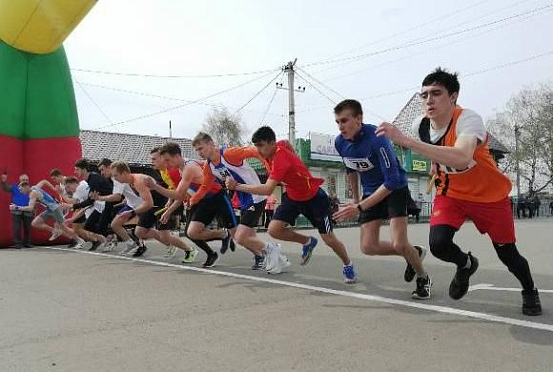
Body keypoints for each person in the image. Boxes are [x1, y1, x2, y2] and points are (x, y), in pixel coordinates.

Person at [376, 67, 541, 315]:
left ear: (453, 97)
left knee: (508, 254)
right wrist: (434, 166)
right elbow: (434, 148)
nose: (428, 100)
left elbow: (463, 157)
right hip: (451, 195)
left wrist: (407, 142)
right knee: (438, 244)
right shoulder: (420, 125)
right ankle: (466, 264)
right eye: (424, 95)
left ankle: (529, 290)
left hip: (489, 197)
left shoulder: (468, 120)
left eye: (436, 93)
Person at [226, 126, 356, 283]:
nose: (258, 150)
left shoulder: (281, 159)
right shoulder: (278, 146)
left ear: (272, 143)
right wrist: (298, 166)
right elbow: (286, 142)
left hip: (314, 198)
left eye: (261, 145)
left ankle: (347, 264)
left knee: (329, 239)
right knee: (274, 230)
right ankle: (307, 241)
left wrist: (237, 186)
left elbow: (267, 189)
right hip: (293, 197)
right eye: (257, 146)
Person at [332, 99, 431, 299]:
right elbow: (351, 168)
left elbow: (393, 180)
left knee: (399, 244)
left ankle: (423, 277)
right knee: (368, 247)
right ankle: (414, 253)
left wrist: (359, 207)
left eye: (344, 120)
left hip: (395, 189)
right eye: (337, 122)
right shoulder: (340, 142)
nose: (341, 127)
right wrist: (356, 199)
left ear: (359, 119)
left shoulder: (378, 138)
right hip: (370, 192)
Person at [189, 134, 288, 273]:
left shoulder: (229, 153)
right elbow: (206, 186)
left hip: (256, 196)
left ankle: (272, 249)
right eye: (197, 150)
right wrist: (194, 199)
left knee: (240, 236)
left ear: (211, 143)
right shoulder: (209, 166)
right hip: (244, 200)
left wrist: (271, 170)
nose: (200, 153)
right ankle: (278, 258)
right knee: (246, 236)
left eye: (201, 148)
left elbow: (254, 151)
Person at [147, 142, 233, 268]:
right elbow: (183, 192)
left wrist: (157, 189)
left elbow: (178, 194)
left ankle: (228, 237)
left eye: (155, 159)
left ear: (173, 157)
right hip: (199, 199)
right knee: (191, 232)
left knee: (238, 232)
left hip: (214, 196)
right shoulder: (168, 170)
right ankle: (220, 239)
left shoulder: (177, 170)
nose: (152, 162)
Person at [16, 180, 85, 249]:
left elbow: (30, 208)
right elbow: (44, 181)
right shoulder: (35, 187)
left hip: (56, 209)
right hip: (49, 209)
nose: (21, 192)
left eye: (21, 190)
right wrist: (53, 188)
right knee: (35, 223)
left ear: (26, 187)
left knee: (64, 227)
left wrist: (17, 207)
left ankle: (80, 241)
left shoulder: (32, 193)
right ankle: (55, 231)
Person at [1, 172, 32, 248]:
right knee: (17, 228)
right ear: (20, 180)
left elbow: (35, 200)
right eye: (23, 179)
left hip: (28, 210)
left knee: (28, 228)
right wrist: (4, 182)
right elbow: (6, 188)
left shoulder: (31, 188)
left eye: (26, 179)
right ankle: (17, 243)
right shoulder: (14, 187)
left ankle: (27, 243)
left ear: (28, 180)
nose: (25, 180)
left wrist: (34, 209)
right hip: (16, 210)